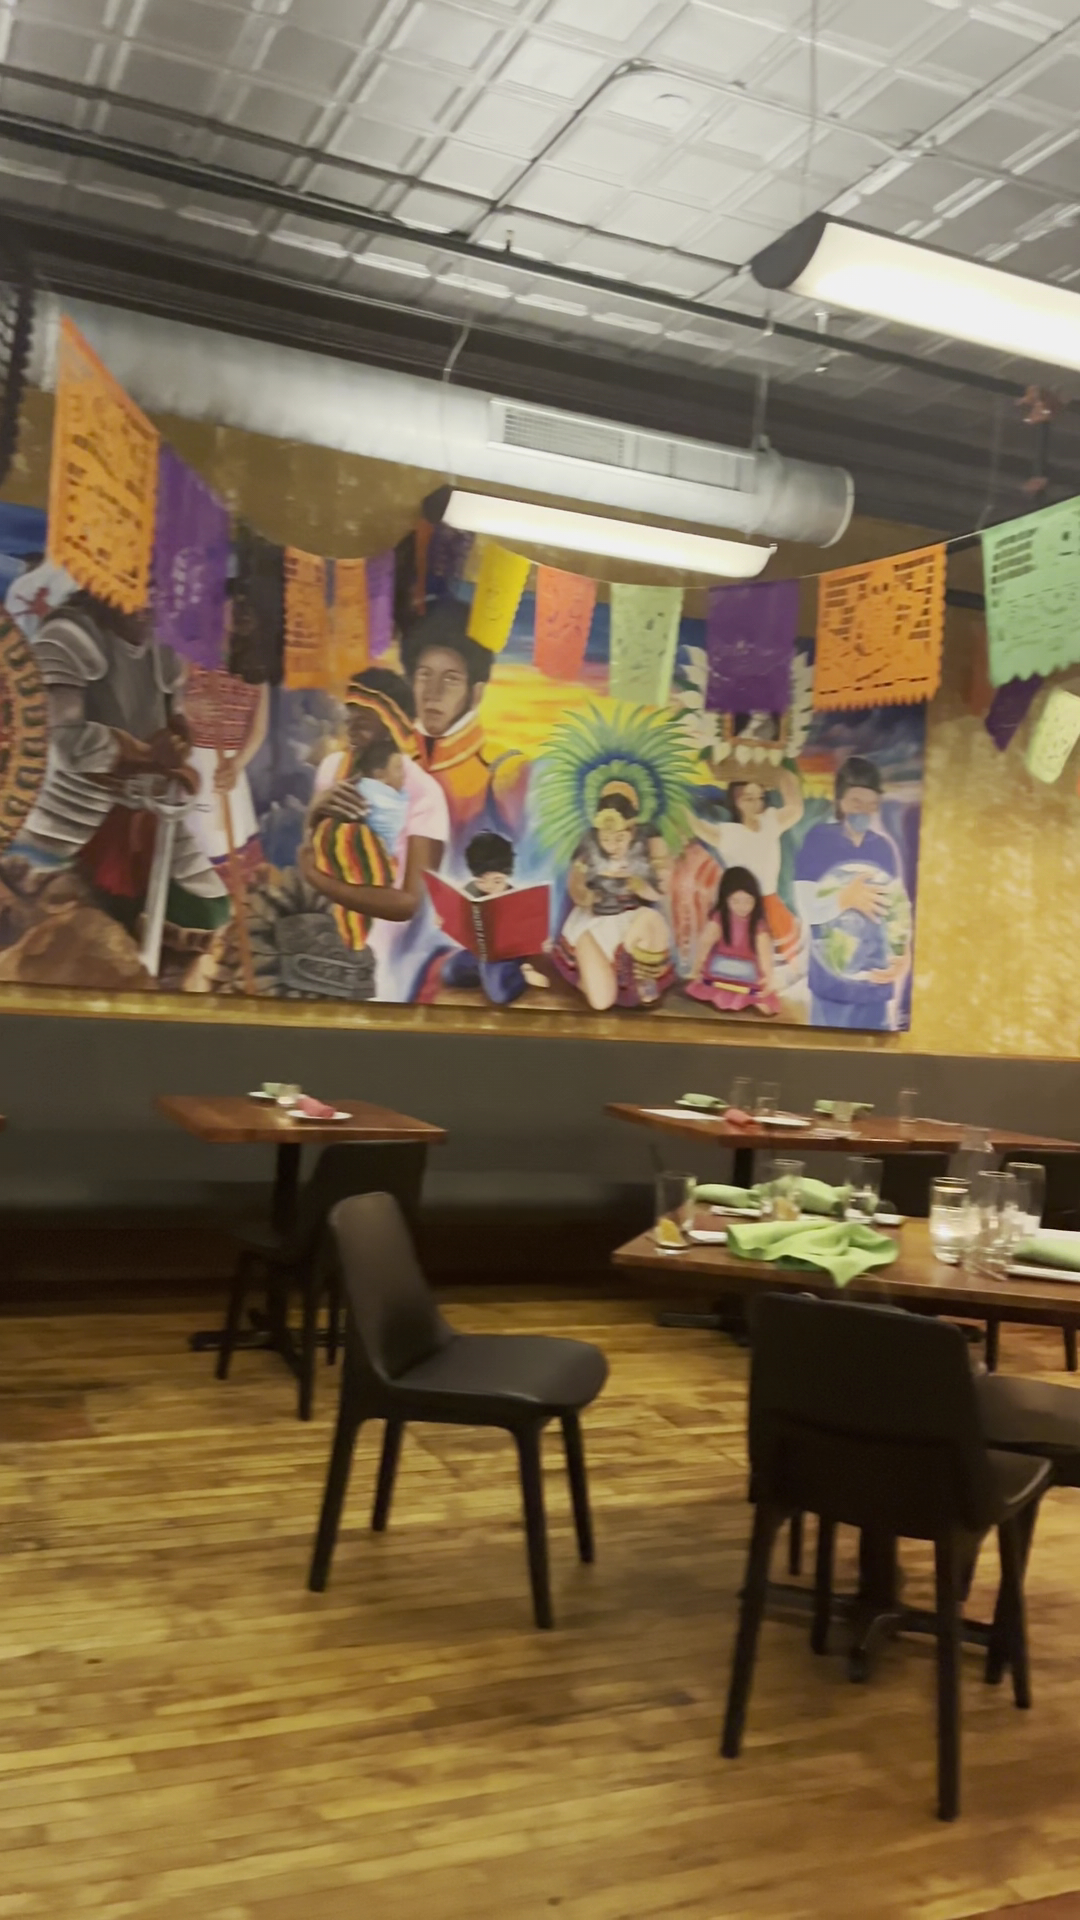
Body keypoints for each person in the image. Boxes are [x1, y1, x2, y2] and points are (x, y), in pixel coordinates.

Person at [301, 667, 448, 1000]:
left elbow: (408, 904)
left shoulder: (425, 794)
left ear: (392, 729)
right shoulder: (333, 768)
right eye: (350, 716)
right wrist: (314, 813)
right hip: (323, 940)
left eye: (364, 722)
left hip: (380, 959)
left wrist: (318, 880)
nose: (351, 728)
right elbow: (316, 849)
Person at [794, 754, 912, 1031]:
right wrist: (843, 899)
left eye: (872, 805)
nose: (864, 812)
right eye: (857, 803)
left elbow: (897, 910)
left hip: (875, 981)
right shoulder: (818, 839)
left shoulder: (882, 847)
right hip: (833, 981)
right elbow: (806, 907)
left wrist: (903, 957)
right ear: (840, 801)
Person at [400, 598, 528, 850]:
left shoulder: (504, 770)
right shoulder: (397, 760)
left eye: (451, 679)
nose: (433, 693)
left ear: (476, 693)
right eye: (424, 675)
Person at [554, 786, 675, 1012]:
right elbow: (576, 889)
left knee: (652, 920)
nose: (612, 846)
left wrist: (632, 880)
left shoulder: (643, 846)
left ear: (631, 831)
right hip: (595, 919)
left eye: (620, 838)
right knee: (602, 1001)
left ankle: (633, 969)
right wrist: (593, 891)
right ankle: (599, 977)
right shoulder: (588, 847)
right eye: (606, 839)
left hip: (631, 915)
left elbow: (658, 891)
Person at [694, 768, 803, 971]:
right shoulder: (729, 833)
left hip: (771, 907)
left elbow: (795, 809)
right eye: (749, 799)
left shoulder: (770, 821)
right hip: (741, 911)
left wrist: (782, 773)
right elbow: (698, 827)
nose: (756, 804)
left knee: (780, 967)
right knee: (743, 966)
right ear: (736, 801)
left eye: (760, 797)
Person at [436, 830, 548, 1007]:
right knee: (449, 972)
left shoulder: (516, 898)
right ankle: (490, 974)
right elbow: (459, 922)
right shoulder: (470, 891)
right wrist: (444, 921)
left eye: (497, 881)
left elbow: (532, 933)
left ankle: (520, 975)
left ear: (507, 875)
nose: (489, 887)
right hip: (477, 953)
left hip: (507, 956)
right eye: (481, 881)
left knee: (498, 994)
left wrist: (539, 940)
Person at [684, 865, 779, 1017]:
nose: (743, 907)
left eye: (748, 901)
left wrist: (768, 980)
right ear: (726, 899)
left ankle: (749, 998)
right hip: (719, 971)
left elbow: (765, 956)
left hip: (748, 974)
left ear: (756, 900)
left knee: (762, 997)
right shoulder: (720, 918)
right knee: (708, 983)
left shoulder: (758, 924)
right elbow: (705, 943)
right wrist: (696, 969)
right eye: (736, 901)